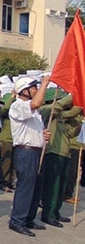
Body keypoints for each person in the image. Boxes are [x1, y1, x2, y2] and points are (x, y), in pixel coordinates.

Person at [8, 76, 50, 237]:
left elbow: (35, 129)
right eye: (34, 88)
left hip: (37, 151)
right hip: (26, 152)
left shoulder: (35, 112)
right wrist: (45, 83)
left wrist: (44, 134)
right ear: (24, 90)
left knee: (36, 187)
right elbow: (36, 103)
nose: (37, 91)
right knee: (26, 187)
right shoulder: (18, 106)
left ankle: (28, 218)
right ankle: (17, 220)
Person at [39, 91, 81, 227]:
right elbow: (58, 109)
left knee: (61, 186)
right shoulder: (47, 112)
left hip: (65, 153)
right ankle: (48, 214)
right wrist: (77, 97)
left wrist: (79, 126)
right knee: (53, 186)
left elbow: (68, 133)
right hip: (53, 153)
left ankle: (55, 212)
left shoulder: (61, 117)